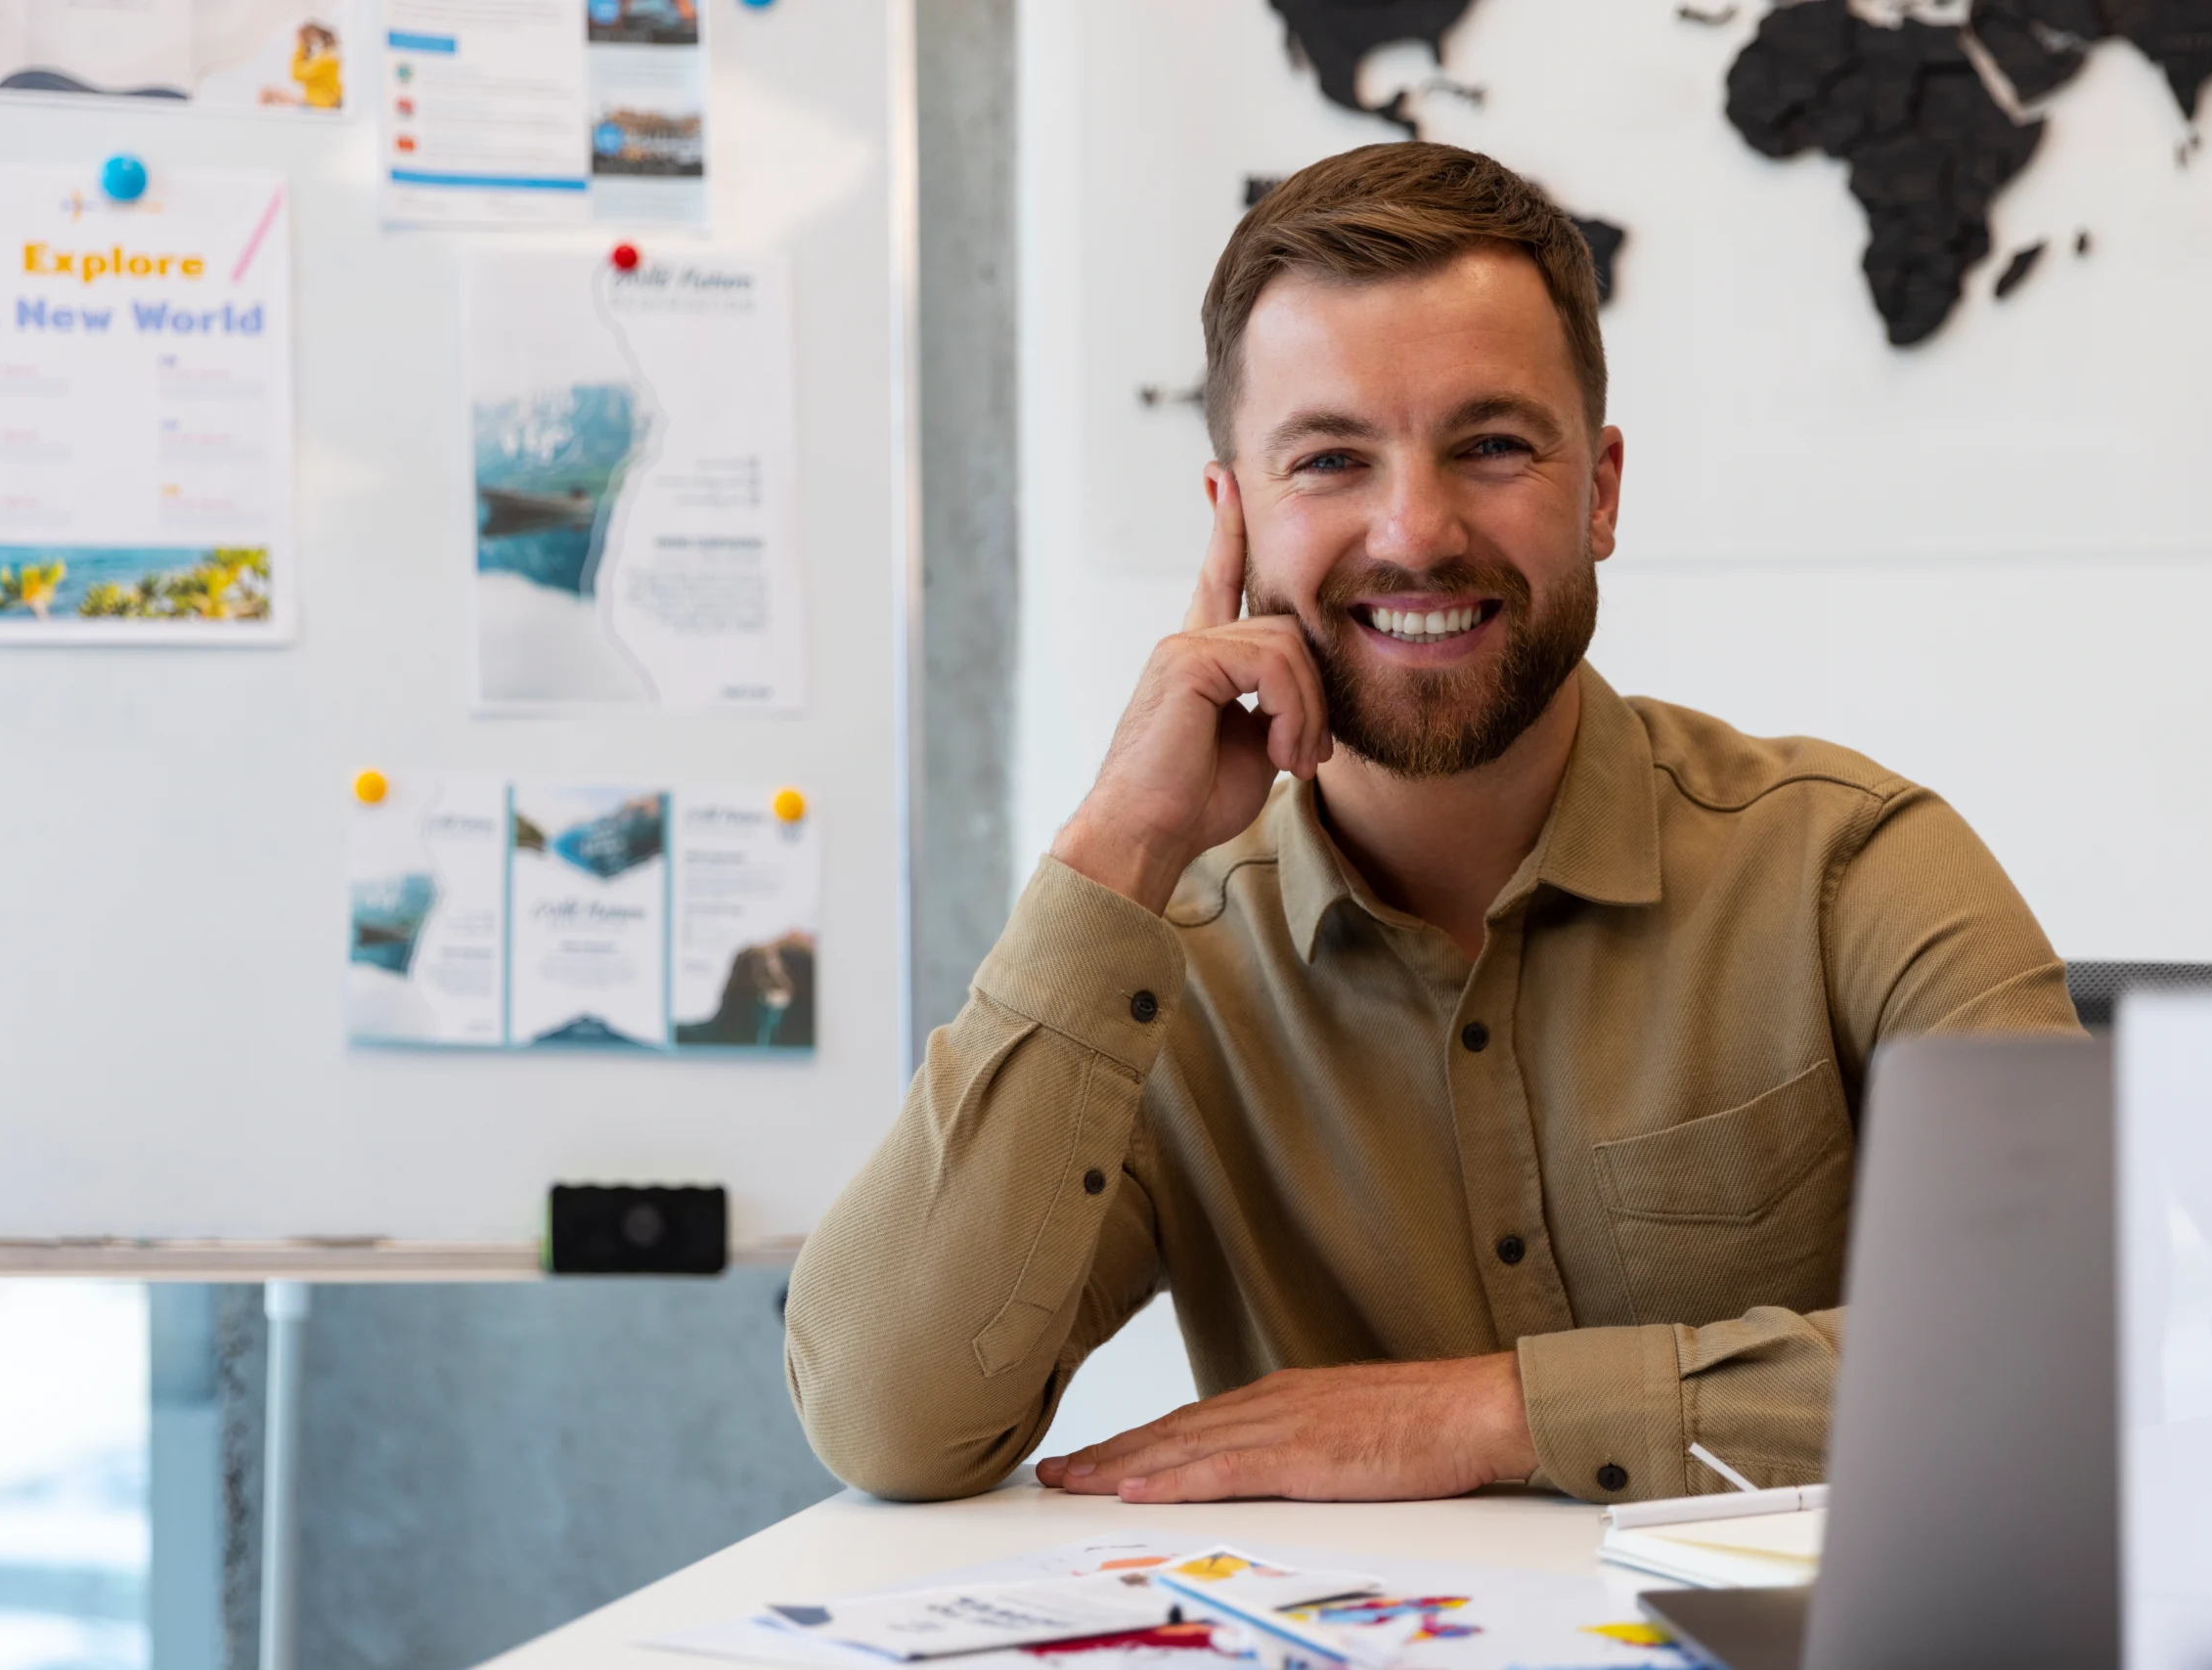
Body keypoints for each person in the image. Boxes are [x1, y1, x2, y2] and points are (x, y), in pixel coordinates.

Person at [783, 142, 2080, 1507]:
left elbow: (2079, 1346)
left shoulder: (1854, 865)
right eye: (1331, 459)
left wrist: (1488, 1414)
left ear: (1602, 490)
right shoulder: (1162, 967)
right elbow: (889, 1421)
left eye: (1494, 446)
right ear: (1231, 517)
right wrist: (1122, 839)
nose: (1413, 530)